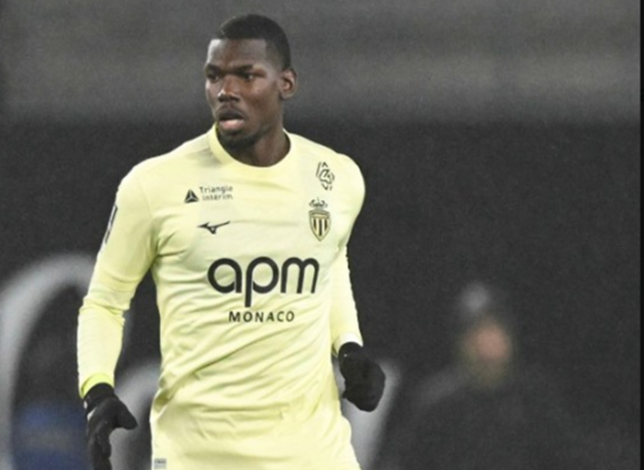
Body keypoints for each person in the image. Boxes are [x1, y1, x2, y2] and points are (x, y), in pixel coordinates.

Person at [76, 13, 386, 470]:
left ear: (286, 84)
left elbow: (329, 258)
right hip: (200, 456)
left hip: (315, 455)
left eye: (246, 75)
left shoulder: (337, 177)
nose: (226, 91)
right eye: (214, 76)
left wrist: (349, 346)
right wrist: (97, 390)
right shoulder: (155, 185)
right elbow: (104, 301)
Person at [394, 281, 590, 470]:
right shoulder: (436, 403)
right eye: (476, 333)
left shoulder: (535, 398)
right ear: (460, 342)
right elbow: (408, 463)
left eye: (493, 331)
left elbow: (571, 460)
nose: (486, 343)